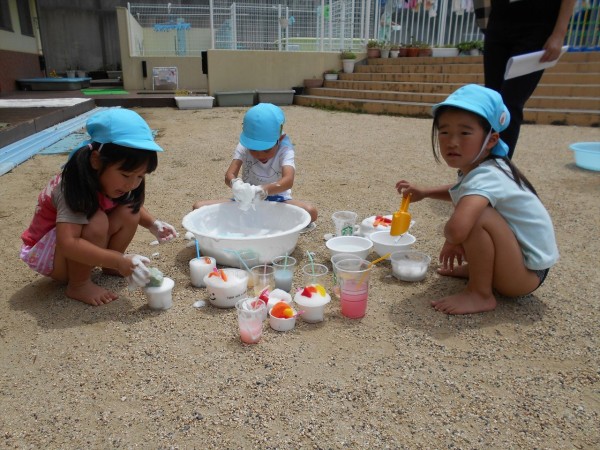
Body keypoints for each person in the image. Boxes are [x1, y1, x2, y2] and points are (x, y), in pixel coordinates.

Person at [395, 84, 559, 315]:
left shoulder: (487, 175)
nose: (452, 141)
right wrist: (426, 192)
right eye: (444, 132)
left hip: (524, 276)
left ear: (491, 140)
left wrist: (453, 240)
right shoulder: (486, 168)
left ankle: (480, 294)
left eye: (464, 133)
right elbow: (463, 189)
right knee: (472, 208)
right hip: (522, 264)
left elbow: (458, 228)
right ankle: (480, 269)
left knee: (477, 215)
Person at [20, 108, 178, 306]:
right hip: (50, 255)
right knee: (96, 220)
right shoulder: (72, 187)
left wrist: (153, 225)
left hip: (74, 249)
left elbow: (131, 204)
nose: (132, 184)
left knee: (129, 210)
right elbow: (68, 243)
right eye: (126, 175)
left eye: (140, 176)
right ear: (96, 160)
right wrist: (119, 259)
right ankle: (78, 284)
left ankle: (111, 268)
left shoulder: (112, 180)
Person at [475, 0, 576, 158]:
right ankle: (478, 163)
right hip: (499, 17)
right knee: (492, 100)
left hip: (538, 22)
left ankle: (499, 168)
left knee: (510, 103)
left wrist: (559, 33)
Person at [192, 103, 318, 224]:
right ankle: (265, 221)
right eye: (253, 149)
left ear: (279, 138)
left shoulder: (285, 148)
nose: (260, 155)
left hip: (277, 201)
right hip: (246, 201)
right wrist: (236, 185)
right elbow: (229, 175)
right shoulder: (244, 144)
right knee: (198, 207)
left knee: (310, 212)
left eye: (266, 149)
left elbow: (288, 181)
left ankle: (257, 220)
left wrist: (260, 190)